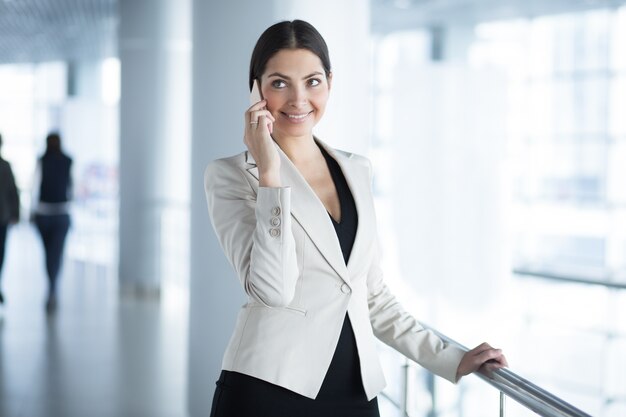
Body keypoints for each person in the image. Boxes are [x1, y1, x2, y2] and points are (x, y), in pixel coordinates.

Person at [204, 20, 508, 417]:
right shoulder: (230, 175)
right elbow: (273, 291)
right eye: (280, 83)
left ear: (329, 82)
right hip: (267, 389)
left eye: (312, 81)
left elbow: (371, 296)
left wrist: (451, 358)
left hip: (355, 392)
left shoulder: (356, 169)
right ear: (256, 89)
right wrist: (269, 174)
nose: (299, 99)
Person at [33, 132, 72, 313]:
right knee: (55, 254)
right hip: (59, 213)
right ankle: (52, 286)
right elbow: (71, 187)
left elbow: (35, 185)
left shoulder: (43, 160)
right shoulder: (67, 161)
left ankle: (52, 287)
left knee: (50, 254)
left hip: (46, 213)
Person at [0, 133, 20, 305]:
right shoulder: (5, 166)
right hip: (3, 217)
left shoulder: (6, 166)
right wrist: (15, 213)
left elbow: (13, 191)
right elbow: (14, 191)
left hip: (3, 217)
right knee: (0, 252)